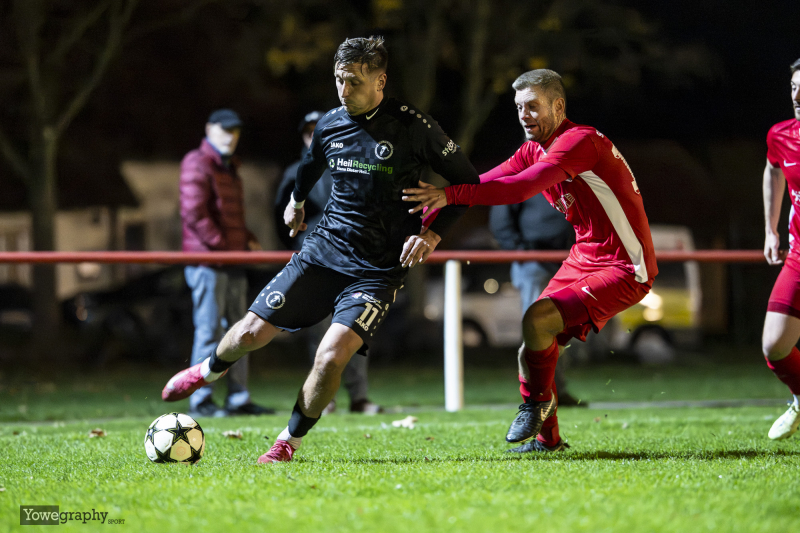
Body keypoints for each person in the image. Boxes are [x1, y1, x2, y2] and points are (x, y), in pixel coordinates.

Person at [163, 36, 479, 463]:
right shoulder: (331, 123)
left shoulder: (415, 128)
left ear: (380, 80)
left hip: (378, 270)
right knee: (252, 332)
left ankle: (286, 442)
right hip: (324, 251)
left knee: (331, 355)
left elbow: (469, 183)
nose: (343, 91)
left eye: (352, 81)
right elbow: (310, 165)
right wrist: (295, 204)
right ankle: (205, 372)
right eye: (337, 80)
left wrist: (434, 232)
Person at [403, 69, 658, 453]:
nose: (525, 115)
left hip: (624, 266)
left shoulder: (578, 141)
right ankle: (547, 441)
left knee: (536, 321)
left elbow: (520, 188)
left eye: (534, 106)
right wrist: (437, 213)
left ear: (558, 106)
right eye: (520, 107)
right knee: (532, 349)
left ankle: (537, 404)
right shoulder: (533, 149)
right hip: (584, 256)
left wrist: (450, 194)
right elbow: (485, 183)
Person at [275, 111, 382, 415]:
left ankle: (359, 397)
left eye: (317, 130)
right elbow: (281, 215)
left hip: (355, 262)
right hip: (317, 263)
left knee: (355, 330)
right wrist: (299, 246)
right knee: (318, 333)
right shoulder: (296, 172)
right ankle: (325, 399)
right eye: (308, 131)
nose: (313, 136)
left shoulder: (354, 163)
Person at [179, 108, 273, 418]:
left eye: (235, 131)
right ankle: (202, 400)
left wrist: (245, 237)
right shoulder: (197, 162)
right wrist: (224, 247)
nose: (231, 137)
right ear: (209, 129)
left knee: (243, 330)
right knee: (208, 331)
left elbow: (228, 216)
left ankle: (238, 398)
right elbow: (194, 214)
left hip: (231, 260)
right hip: (208, 263)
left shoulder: (230, 166)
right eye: (225, 130)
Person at [489, 194, 584, 408]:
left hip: (566, 261)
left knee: (560, 331)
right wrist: (518, 250)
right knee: (537, 330)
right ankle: (539, 394)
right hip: (534, 263)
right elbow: (500, 217)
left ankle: (556, 390)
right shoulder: (524, 173)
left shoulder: (565, 174)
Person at [760, 58, 800, 440]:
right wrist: (771, 230)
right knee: (774, 346)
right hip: (799, 257)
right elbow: (773, 170)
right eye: (793, 87)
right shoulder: (782, 134)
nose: (798, 96)